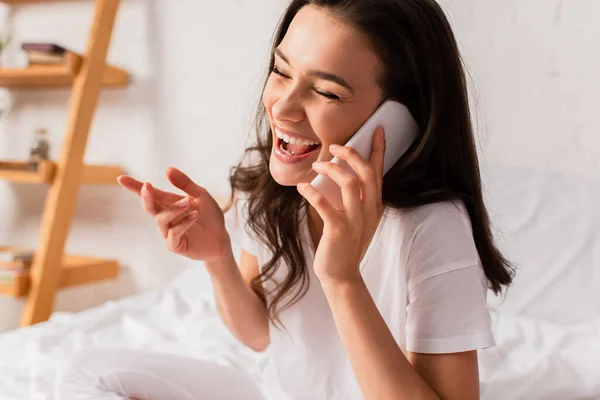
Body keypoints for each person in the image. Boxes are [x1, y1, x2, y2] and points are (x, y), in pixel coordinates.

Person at [55, 0, 514, 399]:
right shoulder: (276, 193)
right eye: (281, 71)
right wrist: (218, 259)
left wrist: (341, 279)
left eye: (326, 91)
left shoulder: (433, 227)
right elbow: (259, 336)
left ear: (395, 120)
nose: (282, 107)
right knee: (83, 372)